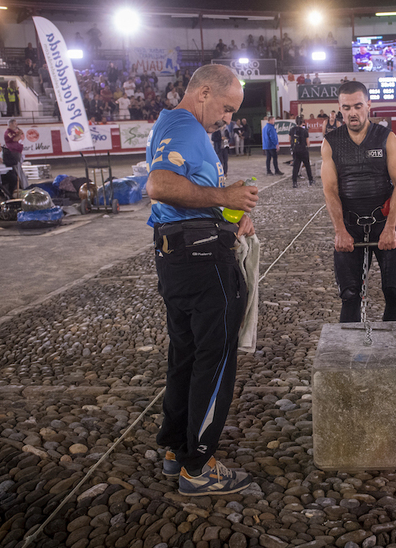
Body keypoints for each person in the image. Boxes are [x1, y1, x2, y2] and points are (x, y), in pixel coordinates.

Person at [145, 64, 258, 496]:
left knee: (187, 357)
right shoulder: (187, 126)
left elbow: (186, 194)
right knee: (214, 360)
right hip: (202, 260)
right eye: (227, 108)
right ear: (204, 93)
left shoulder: (171, 124)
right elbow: (159, 185)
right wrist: (224, 197)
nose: (228, 118)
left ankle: (176, 449)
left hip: (178, 254)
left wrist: (231, 212)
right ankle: (200, 466)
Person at [321, 81, 396, 323]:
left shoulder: (387, 138)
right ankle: (348, 356)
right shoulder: (330, 143)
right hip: (350, 225)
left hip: (384, 222)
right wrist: (340, 231)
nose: (352, 113)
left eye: (358, 106)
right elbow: (330, 190)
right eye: (346, 108)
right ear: (340, 109)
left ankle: (393, 355)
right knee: (350, 296)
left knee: (393, 291)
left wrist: (391, 228)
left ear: (368, 105)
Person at [289, 115, 313, 188]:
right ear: (302, 122)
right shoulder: (304, 131)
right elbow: (307, 142)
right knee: (307, 165)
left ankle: (294, 182)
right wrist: (308, 146)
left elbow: (290, 140)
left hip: (295, 150)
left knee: (296, 166)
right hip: (303, 150)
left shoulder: (292, 130)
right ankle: (310, 180)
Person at [4, 119, 28, 189]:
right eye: (15, 123)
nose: (16, 125)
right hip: (13, 153)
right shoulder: (8, 132)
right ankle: (22, 185)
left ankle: (22, 184)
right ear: (11, 124)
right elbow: (14, 139)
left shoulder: (13, 132)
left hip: (17, 152)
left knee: (19, 169)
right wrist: (19, 134)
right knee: (17, 169)